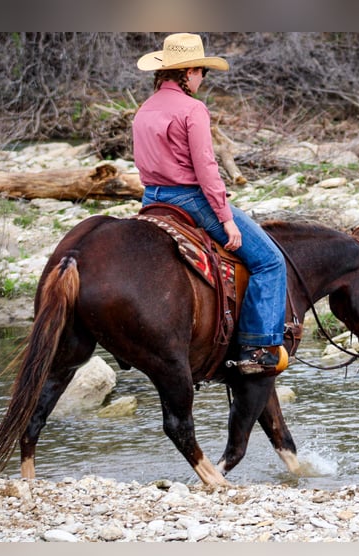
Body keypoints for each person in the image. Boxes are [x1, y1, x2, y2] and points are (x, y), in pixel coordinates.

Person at [132, 33, 287, 375]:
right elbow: (206, 168)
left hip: (151, 197)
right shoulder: (192, 109)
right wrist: (225, 217)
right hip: (189, 199)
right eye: (202, 71)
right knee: (269, 261)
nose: (203, 77)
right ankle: (258, 347)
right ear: (187, 72)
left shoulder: (144, 109)